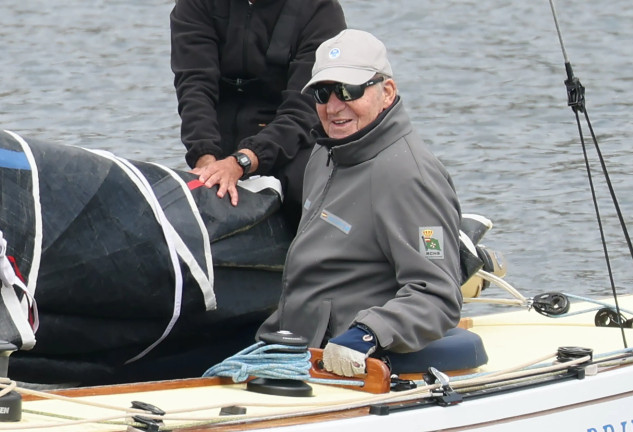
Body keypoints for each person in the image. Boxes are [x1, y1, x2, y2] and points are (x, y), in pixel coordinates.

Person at [256, 29, 463, 377]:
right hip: (293, 350)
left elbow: (438, 296)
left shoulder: (409, 175)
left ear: (387, 93)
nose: (334, 106)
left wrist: (368, 334)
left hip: (346, 366)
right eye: (323, 93)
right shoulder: (324, 152)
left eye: (349, 90)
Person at [170, 0, 347, 232]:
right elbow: (194, 88)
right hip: (218, 136)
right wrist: (206, 161)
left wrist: (242, 161)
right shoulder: (195, 4)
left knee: (303, 184)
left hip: (292, 139)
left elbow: (303, 109)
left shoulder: (321, 10)